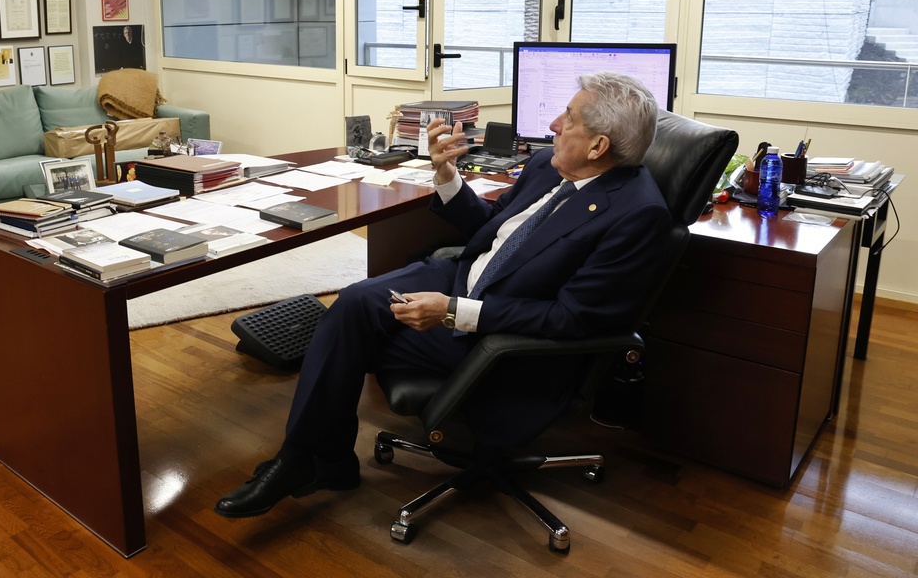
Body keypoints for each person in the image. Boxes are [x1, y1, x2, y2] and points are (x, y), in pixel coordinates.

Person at [214, 71, 672, 518]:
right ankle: (317, 460)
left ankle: (308, 461)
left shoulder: (637, 215)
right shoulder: (546, 166)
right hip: (458, 280)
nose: (552, 125)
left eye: (568, 119)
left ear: (598, 146)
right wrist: (446, 174)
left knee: (348, 326)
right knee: (354, 303)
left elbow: (572, 319)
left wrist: (456, 312)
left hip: (499, 341)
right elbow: (494, 232)